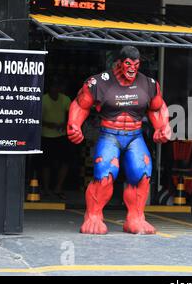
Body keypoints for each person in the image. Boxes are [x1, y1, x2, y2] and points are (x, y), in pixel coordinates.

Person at [67, 46, 171, 235]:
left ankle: (136, 217)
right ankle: (93, 216)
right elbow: (80, 104)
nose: (132, 69)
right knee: (105, 173)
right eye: (129, 64)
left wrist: (163, 127)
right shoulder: (99, 82)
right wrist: (74, 124)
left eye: (136, 65)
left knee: (142, 173)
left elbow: (157, 108)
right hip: (110, 134)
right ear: (119, 63)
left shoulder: (148, 84)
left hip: (135, 136)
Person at [41, 82, 72, 200]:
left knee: (65, 162)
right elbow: (36, 119)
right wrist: (49, 124)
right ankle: (46, 189)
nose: (55, 88)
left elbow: (71, 115)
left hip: (61, 135)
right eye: (53, 86)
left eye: (57, 86)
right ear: (49, 88)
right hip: (46, 135)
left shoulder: (65, 99)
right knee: (46, 164)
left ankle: (58, 187)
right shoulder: (43, 100)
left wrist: (65, 124)